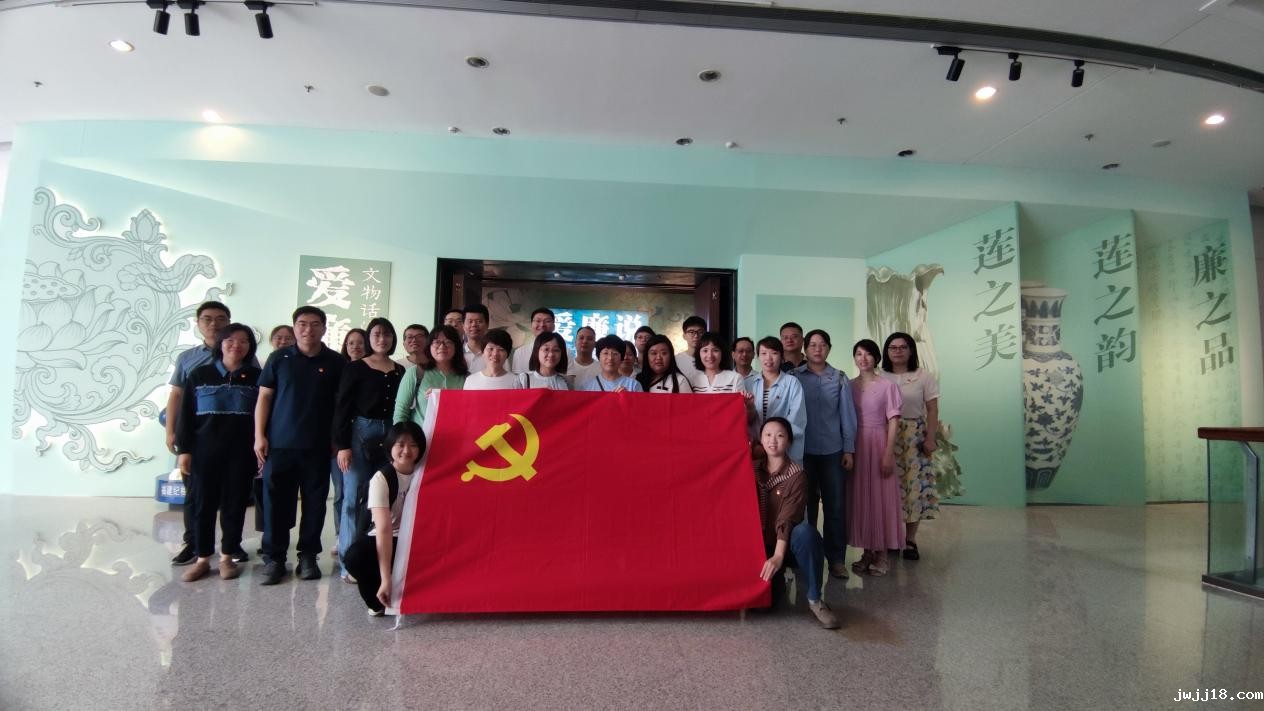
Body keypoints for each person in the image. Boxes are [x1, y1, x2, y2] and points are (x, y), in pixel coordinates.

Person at [254, 306, 345, 585]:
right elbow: (264, 398)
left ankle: (308, 556)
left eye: (315, 324)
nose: (308, 329)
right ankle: (275, 558)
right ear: (294, 328)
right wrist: (259, 435)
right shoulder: (279, 358)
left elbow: (340, 405)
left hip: (318, 446)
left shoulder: (335, 361)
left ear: (324, 328)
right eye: (303, 324)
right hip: (279, 444)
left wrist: (336, 439)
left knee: (315, 504)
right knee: (276, 503)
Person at [175, 323, 261, 582]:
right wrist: (184, 450)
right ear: (221, 343)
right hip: (204, 452)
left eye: (243, 341)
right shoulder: (200, 375)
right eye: (230, 340)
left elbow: (264, 416)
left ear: (250, 346)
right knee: (203, 504)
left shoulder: (257, 377)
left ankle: (227, 557)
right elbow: (186, 415)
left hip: (241, 453)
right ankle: (202, 558)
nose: (236, 345)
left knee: (235, 504)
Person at [166, 301, 248, 566]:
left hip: (235, 445)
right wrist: (173, 434)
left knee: (233, 496)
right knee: (197, 496)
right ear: (198, 322)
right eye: (207, 319)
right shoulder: (188, 359)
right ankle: (194, 545)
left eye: (221, 319)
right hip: (200, 440)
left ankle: (231, 546)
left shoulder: (247, 362)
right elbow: (178, 397)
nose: (214, 324)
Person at [333, 317, 405, 583]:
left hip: (391, 434)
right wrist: (342, 446)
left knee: (382, 500)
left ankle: (376, 560)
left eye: (387, 334)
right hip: (360, 433)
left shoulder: (399, 370)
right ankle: (348, 564)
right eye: (376, 334)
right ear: (368, 337)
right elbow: (342, 407)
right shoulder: (355, 368)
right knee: (353, 499)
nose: (382, 339)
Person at [754, 417, 840, 630]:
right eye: (767, 435)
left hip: (785, 545)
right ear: (760, 440)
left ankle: (815, 599)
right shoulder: (751, 470)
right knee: (762, 607)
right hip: (759, 546)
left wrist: (778, 556)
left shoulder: (797, 475)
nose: (773, 440)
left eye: (780, 435)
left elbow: (787, 518)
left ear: (789, 441)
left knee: (806, 534)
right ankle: (779, 581)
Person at [792, 329, 858, 580]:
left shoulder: (839, 378)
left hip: (833, 452)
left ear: (829, 348)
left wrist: (849, 449)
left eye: (822, 345)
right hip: (802, 452)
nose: (817, 349)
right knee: (804, 508)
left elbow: (847, 416)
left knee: (835, 507)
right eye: (812, 345)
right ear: (805, 349)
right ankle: (806, 557)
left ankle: (837, 560)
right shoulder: (794, 377)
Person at [342, 421, 426, 616]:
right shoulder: (382, 479)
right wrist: (386, 578)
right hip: (389, 536)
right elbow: (384, 529)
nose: (407, 451)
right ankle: (376, 598)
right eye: (401, 445)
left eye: (413, 445)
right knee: (355, 557)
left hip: (417, 538)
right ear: (390, 447)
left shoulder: (426, 473)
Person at [881, 331, 940, 561]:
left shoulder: (923, 376)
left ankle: (910, 540)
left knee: (913, 488)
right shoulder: (879, 375)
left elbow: (932, 409)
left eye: (903, 347)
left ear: (911, 350)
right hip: (885, 435)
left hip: (914, 436)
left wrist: (931, 438)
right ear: (886, 351)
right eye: (893, 347)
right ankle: (890, 537)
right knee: (888, 488)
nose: (898, 351)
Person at [848, 339, 904, 577]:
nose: (863, 358)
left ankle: (882, 554)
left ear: (877, 358)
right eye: (859, 354)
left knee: (880, 498)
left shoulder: (887, 386)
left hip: (879, 442)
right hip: (856, 444)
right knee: (861, 497)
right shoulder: (848, 385)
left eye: (868, 354)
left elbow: (894, 421)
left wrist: (888, 453)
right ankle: (867, 551)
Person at [394, 324, 468, 427]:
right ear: (429, 346)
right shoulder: (416, 372)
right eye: (437, 342)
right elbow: (401, 412)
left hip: (455, 434)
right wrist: (401, 435)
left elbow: (469, 410)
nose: (442, 346)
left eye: (448, 342)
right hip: (422, 436)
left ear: (456, 346)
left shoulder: (466, 377)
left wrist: (443, 396)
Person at [745, 337, 806, 461]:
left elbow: (797, 420)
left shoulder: (792, 383)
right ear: (758, 356)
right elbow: (744, 420)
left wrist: (771, 443)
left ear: (782, 357)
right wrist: (757, 444)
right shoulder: (747, 383)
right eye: (763, 353)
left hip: (784, 449)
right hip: (755, 449)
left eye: (774, 353)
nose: (768, 358)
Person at [511, 308, 555, 373]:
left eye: (547, 321)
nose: (542, 325)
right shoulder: (519, 352)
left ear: (554, 326)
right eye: (538, 321)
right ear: (531, 325)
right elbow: (517, 377)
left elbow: (567, 378)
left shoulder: (565, 352)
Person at [462, 304, 490, 373]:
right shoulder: (456, 353)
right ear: (463, 325)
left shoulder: (495, 354)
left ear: (487, 325)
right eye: (470, 321)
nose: (474, 325)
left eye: (479, 321)